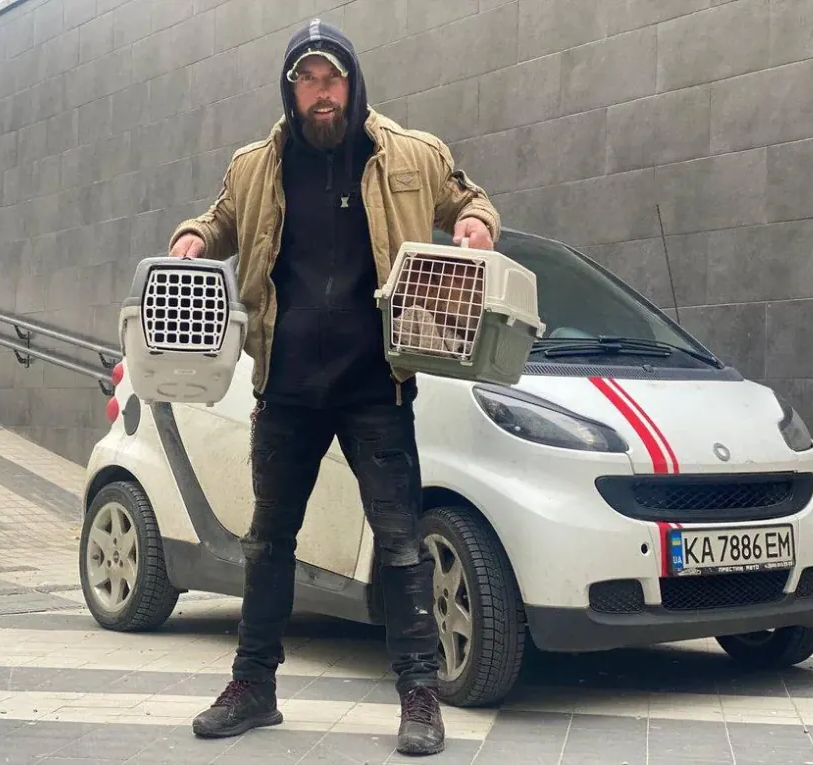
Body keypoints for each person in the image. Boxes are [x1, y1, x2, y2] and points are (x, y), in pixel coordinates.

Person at [166, 19, 500, 756]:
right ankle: (254, 686)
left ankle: (420, 694)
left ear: (353, 82)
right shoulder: (257, 164)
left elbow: (468, 200)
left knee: (402, 543)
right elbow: (221, 219)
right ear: (291, 91)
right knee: (269, 543)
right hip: (284, 383)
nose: (322, 94)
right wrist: (193, 236)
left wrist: (476, 227)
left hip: (374, 382)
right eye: (307, 81)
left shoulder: (409, 153)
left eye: (332, 78)